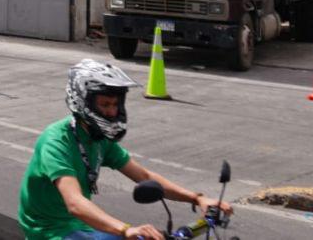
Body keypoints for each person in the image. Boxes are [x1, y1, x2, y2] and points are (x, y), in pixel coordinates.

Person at [19, 59, 232, 240]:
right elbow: (74, 202)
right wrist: (126, 229)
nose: (112, 112)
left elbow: (144, 175)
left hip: (80, 226)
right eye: (105, 105)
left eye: (115, 104)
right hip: (49, 232)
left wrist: (197, 198)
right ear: (82, 101)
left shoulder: (99, 138)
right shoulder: (57, 140)